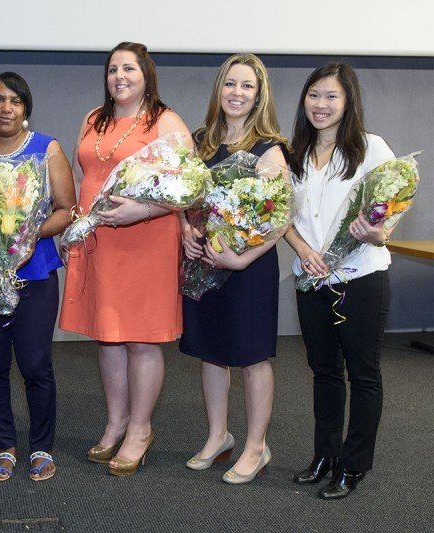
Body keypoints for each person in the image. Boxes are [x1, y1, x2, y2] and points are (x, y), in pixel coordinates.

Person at [59, 42, 191, 476]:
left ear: (146, 75)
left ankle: (140, 428)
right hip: (99, 241)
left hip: (146, 242)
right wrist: (75, 223)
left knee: (141, 339)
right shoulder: (93, 119)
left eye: (129, 68)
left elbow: (190, 187)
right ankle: (116, 422)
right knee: (109, 334)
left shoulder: (165, 121)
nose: (120, 76)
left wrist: (142, 210)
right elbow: (82, 174)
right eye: (113, 69)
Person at [0, 72, 75, 482]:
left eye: (15, 101)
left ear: (25, 109)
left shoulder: (47, 149)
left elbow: (66, 209)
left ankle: (41, 446)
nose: (6, 108)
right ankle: (3, 445)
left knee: (36, 364)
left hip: (34, 272)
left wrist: (29, 234)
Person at [285, 63, 395, 500]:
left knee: (363, 375)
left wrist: (377, 233)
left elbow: (388, 213)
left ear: (348, 101)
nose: (321, 104)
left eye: (331, 96)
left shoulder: (372, 149)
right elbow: (282, 218)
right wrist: (301, 249)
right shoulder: (293, 153)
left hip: (360, 277)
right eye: (314, 95)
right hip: (310, 278)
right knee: (324, 373)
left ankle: (353, 465)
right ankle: (325, 456)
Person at [178, 54, 289, 484]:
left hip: (248, 268)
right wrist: (187, 229)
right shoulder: (201, 142)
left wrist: (240, 258)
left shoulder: (269, 150)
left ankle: (257, 447)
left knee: (251, 356)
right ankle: (218, 436)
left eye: (246, 86)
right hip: (205, 263)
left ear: (259, 96)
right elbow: (185, 199)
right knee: (210, 350)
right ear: (218, 90)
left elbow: (279, 219)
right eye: (230, 84)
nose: (236, 93)